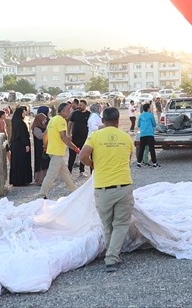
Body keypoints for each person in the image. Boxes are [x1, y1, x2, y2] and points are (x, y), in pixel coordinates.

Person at [78, 106, 133, 273]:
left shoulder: (95, 136)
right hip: (123, 186)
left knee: (107, 224)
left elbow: (82, 156)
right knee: (121, 223)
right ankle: (112, 257)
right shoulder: (126, 137)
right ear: (117, 121)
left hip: (102, 188)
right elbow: (129, 158)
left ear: (102, 120)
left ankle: (111, 255)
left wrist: (93, 164)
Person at [40, 102, 80, 199]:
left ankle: (75, 191)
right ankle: (42, 195)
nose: (70, 111)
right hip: (57, 152)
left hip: (52, 151)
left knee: (65, 174)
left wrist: (45, 146)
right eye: (68, 110)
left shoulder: (53, 119)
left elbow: (45, 135)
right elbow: (64, 138)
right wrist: (75, 148)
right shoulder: (62, 121)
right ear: (62, 111)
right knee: (51, 174)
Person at [8, 106, 33, 188]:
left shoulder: (15, 121)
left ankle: (17, 180)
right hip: (21, 146)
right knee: (22, 162)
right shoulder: (20, 123)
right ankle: (21, 180)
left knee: (16, 163)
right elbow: (23, 135)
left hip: (16, 145)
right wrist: (26, 145)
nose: (25, 113)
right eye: (23, 112)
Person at [68, 100, 91, 176]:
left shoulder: (89, 114)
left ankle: (82, 171)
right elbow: (70, 123)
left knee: (83, 155)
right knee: (72, 155)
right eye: (79, 105)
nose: (79, 106)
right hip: (74, 138)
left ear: (85, 105)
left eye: (81, 105)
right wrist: (69, 134)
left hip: (84, 138)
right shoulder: (75, 113)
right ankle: (69, 171)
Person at [135, 101, 158, 167]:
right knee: (152, 149)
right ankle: (154, 163)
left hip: (143, 134)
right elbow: (154, 124)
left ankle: (139, 162)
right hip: (150, 134)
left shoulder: (140, 115)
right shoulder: (151, 115)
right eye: (150, 108)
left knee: (141, 148)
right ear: (148, 108)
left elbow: (138, 125)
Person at [32, 107, 50, 185]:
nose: (45, 121)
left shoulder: (43, 127)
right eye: (44, 120)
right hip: (39, 148)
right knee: (40, 163)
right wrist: (47, 130)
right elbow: (40, 136)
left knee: (45, 163)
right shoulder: (36, 127)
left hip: (44, 147)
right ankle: (39, 180)